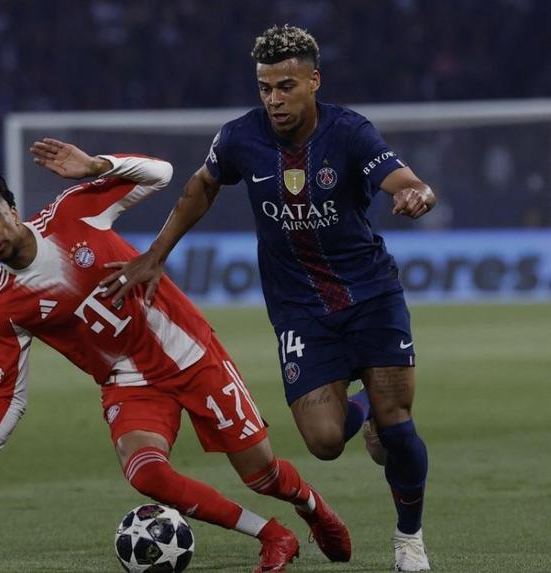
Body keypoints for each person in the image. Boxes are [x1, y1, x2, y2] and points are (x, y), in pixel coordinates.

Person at [0, 138, 353, 573]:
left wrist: (97, 166)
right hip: (129, 382)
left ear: (13, 209)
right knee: (145, 473)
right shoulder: (6, 308)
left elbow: (162, 174)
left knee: (261, 475)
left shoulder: (71, 212)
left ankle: (310, 505)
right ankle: (272, 535)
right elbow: (9, 393)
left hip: (187, 351)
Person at [100, 25, 436, 572]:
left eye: (286, 86)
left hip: (370, 294)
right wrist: (155, 255)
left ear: (313, 81)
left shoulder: (349, 132)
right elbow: (201, 187)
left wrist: (416, 193)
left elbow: (401, 178)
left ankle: (409, 540)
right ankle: (367, 408)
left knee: (397, 428)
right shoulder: (240, 138)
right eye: (264, 88)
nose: (274, 99)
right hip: (298, 309)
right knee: (324, 441)